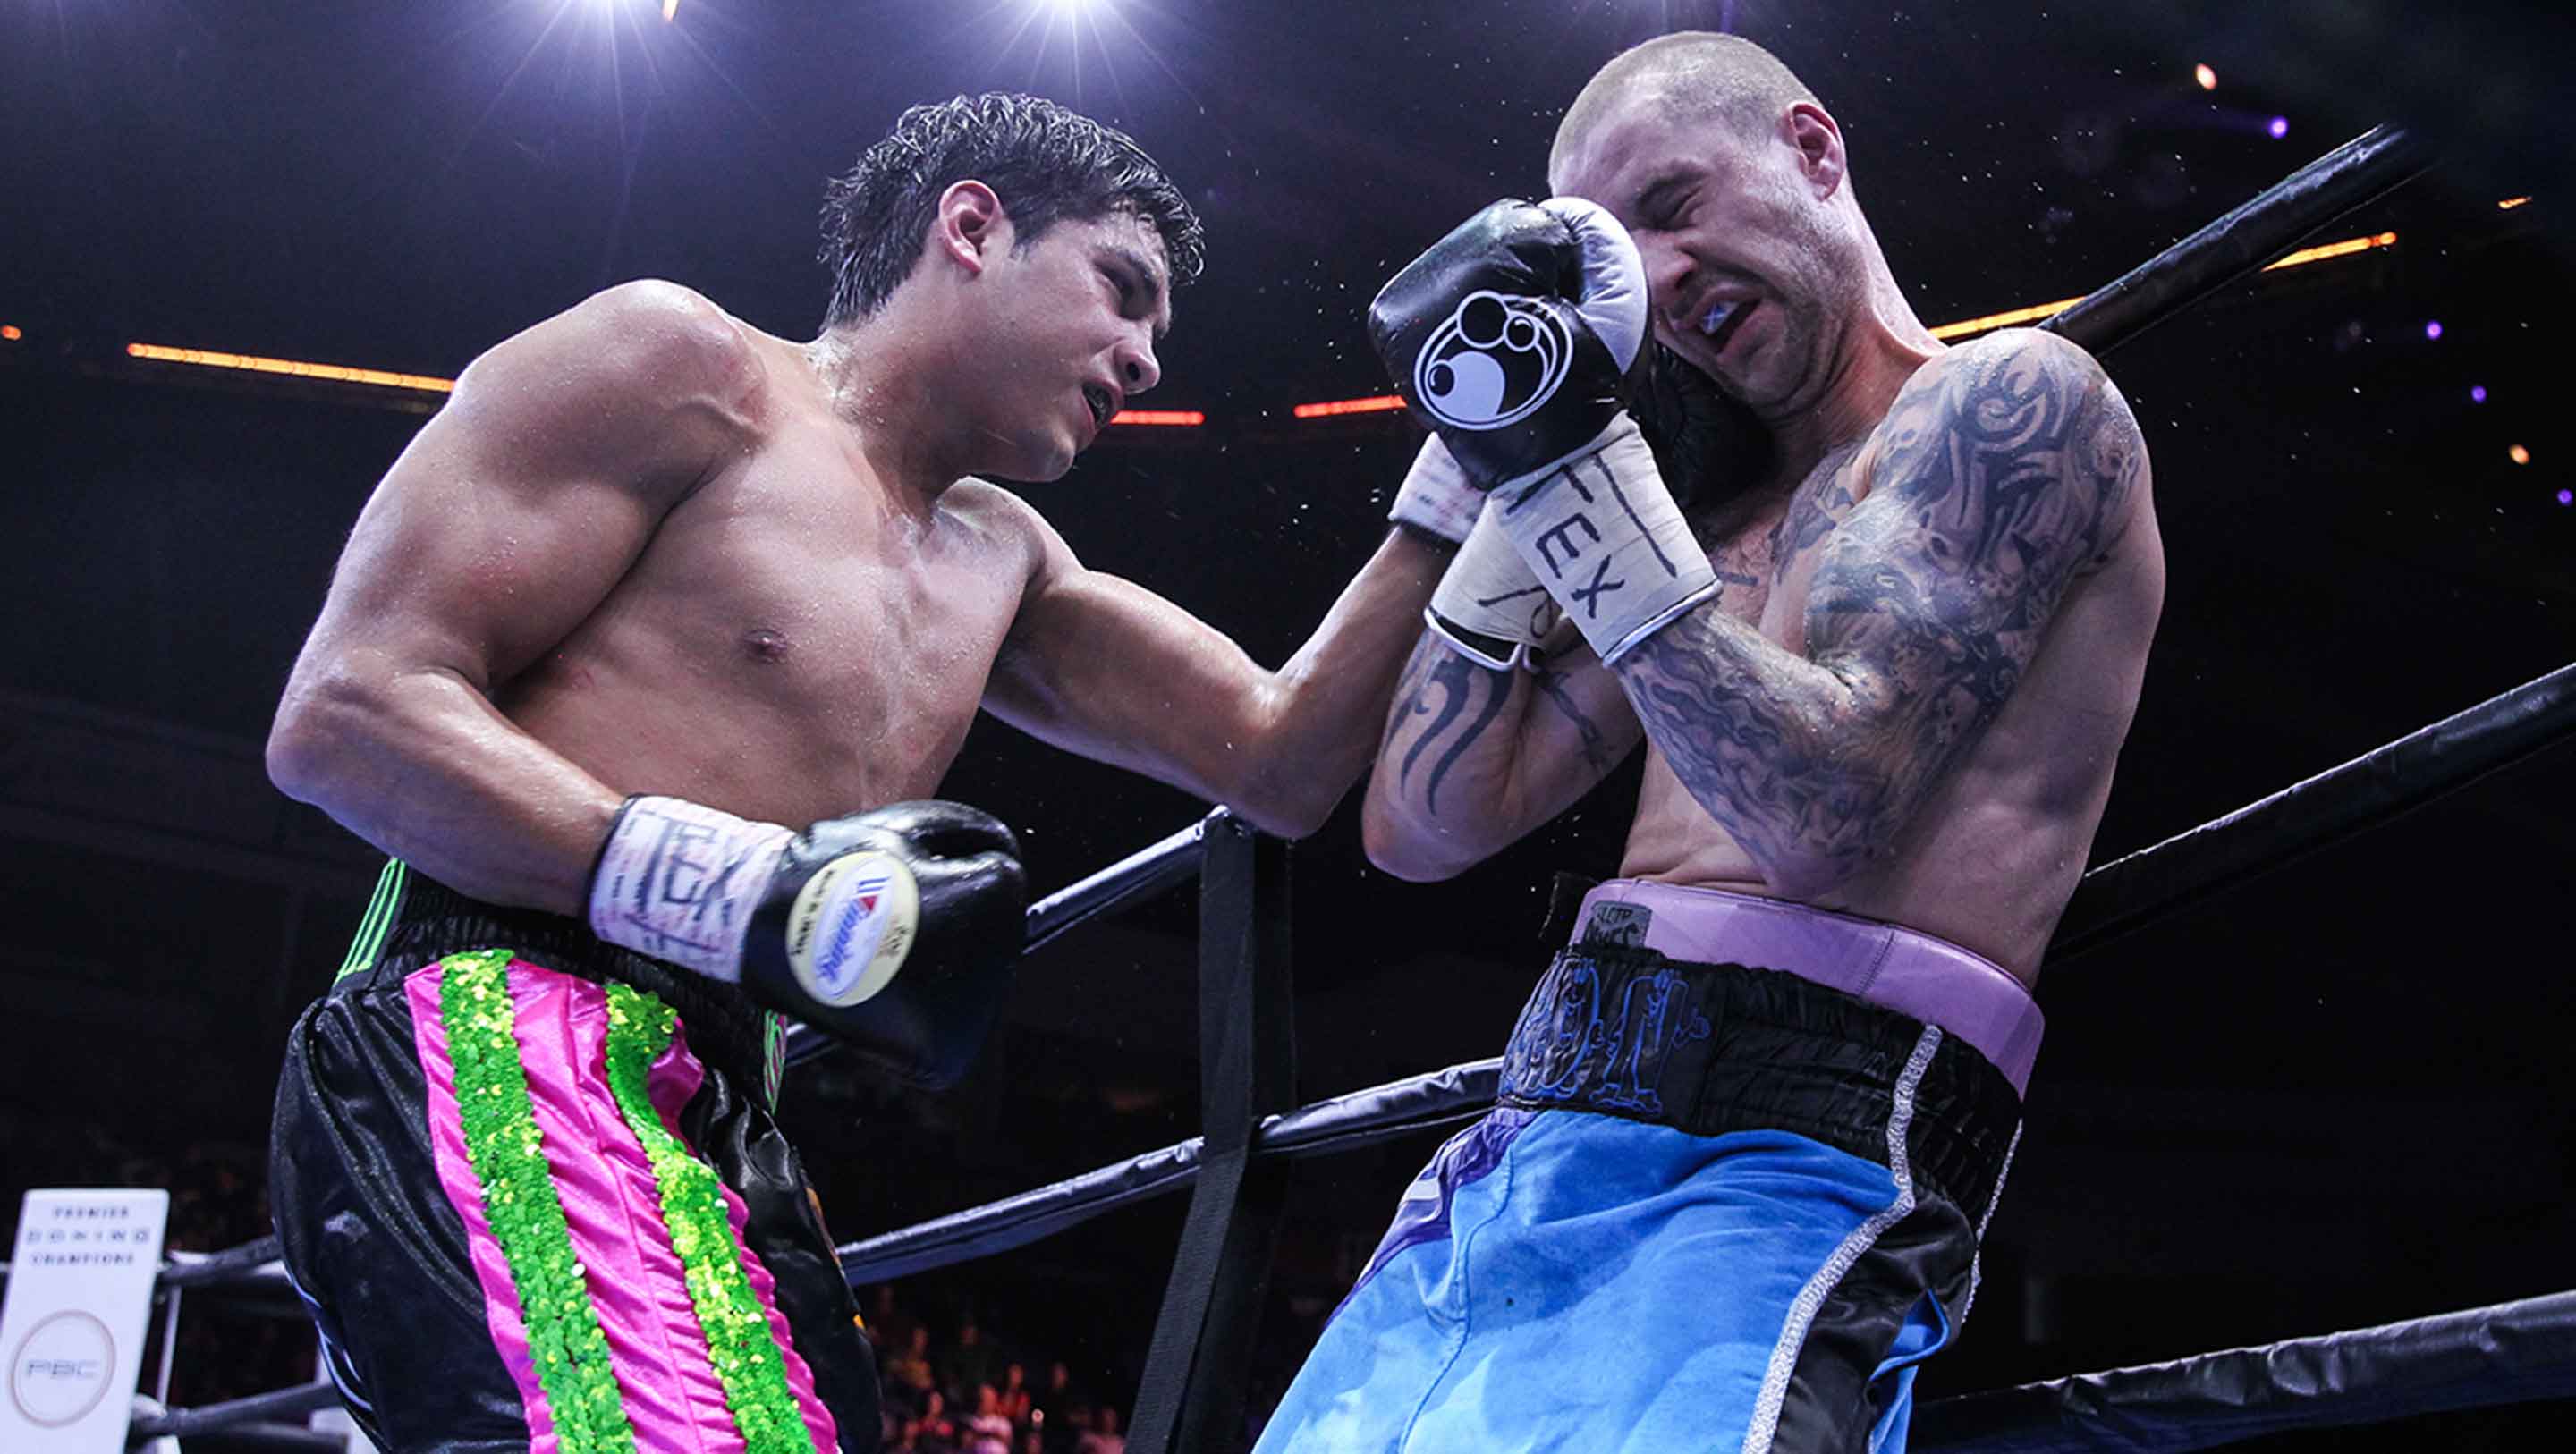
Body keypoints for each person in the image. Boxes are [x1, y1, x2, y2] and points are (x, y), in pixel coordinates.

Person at [266, 91, 1462, 1454]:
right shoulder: (686, 366)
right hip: (496, 1015)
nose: (1141, 359)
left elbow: (1287, 755)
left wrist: (1469, 464)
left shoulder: (1000, 557)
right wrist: (733, 885)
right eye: (1120, 292)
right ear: (972, 225)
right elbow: (346, 709)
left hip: (721, 1104)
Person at [1257, 32, 2160, 1453]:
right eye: (1619, 254)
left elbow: (1821, 815)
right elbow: (1421, 822)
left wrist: (1571, 469)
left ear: (1812, 150)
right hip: (1534, 1125)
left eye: (1677, 204)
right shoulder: (1694, 519)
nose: (1663, 278)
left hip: (1791, 1157)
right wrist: (1508, 474)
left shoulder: (2013, 406)